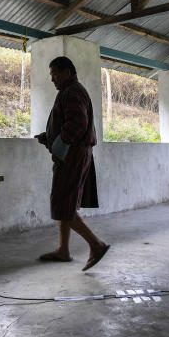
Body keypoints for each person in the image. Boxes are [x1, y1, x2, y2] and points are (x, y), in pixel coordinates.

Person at [33, 56, 110, 271]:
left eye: (55, 74)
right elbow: (69, 124)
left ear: (68, 72)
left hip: (72, 154)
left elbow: (78, 124)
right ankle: (63, 250)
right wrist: (48, 137)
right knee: (63, 202)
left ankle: (96, 245)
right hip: (73, 152)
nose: (53, 79)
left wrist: (60, 147)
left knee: (62, 204)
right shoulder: (69, 91)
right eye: (51, 75)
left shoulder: (73, 91)